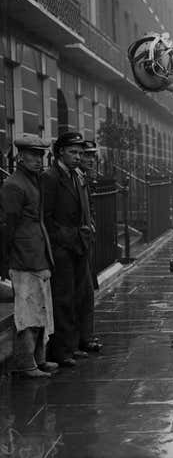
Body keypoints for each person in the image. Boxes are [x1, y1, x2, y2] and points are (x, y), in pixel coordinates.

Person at [0, 134, 58, 377]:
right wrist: (5, 259)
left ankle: (38, 359)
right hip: (23, 257)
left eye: (41, 155)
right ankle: (25, 365)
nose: (38, 160)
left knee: (41, 309)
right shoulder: (14, 185)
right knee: (27, 312)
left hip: (37, 253)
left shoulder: (32, 181)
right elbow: (6, 225)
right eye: (32, 155)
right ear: (21, 157)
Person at [42, 132, 93, 367]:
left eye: (80, 153)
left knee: (78, 296)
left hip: (78, 244)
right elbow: (47, 217)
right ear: (60, 151)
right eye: (73, 152)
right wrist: (63, 238)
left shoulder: (76, 175)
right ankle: (61, 351)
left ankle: (73, 345)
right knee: (63, 299)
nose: (78, 156)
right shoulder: (51, 177)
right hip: (62, 247)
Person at [76, 139, 102, 352]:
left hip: (86, 242)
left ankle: (87, 336)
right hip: (76, 243)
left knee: (88, 292)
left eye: (92, 156)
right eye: (86, 156)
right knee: (80, 292)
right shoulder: (76, 178)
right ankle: (81, 338)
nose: (90, 160)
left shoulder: (86, 179)